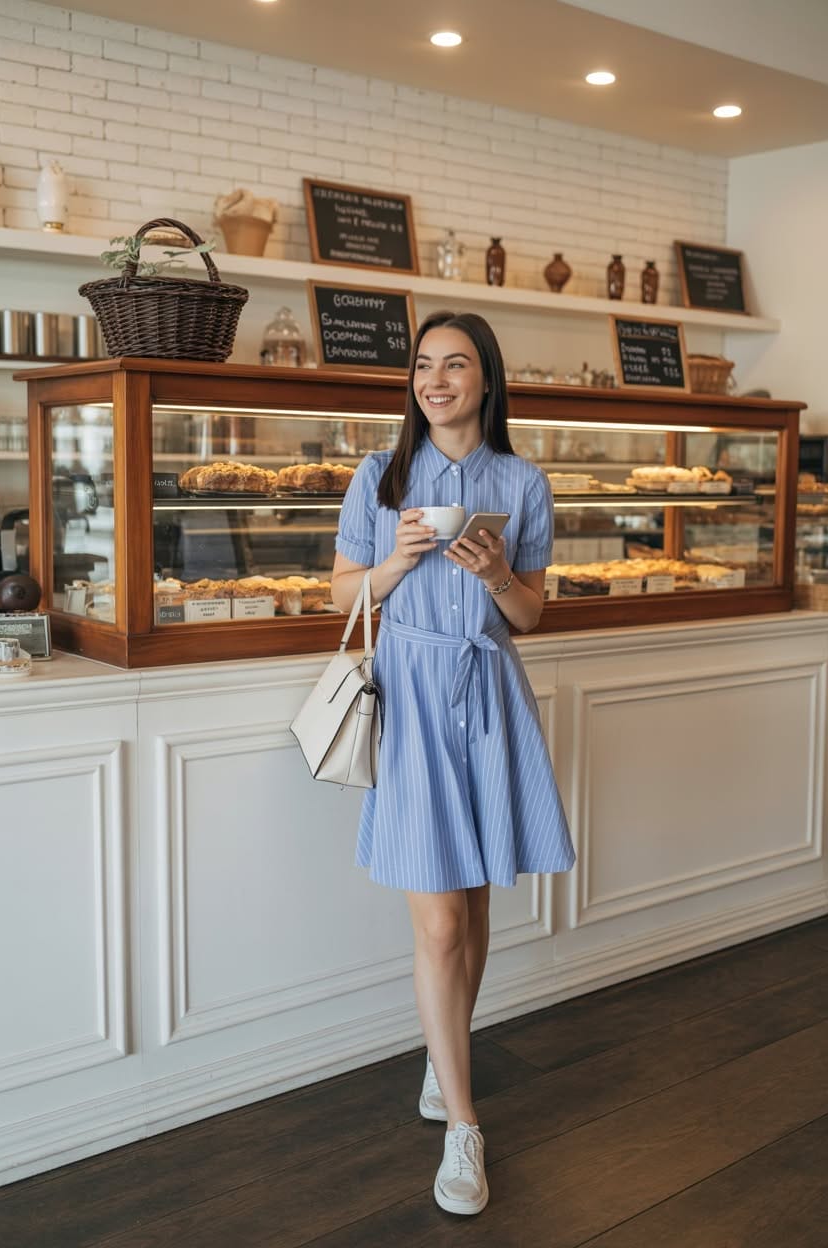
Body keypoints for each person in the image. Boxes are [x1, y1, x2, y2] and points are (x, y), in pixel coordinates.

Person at [331, 310, 576, 1216]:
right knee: (437, 924)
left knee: (472, 911)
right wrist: (395, 558)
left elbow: (530, 616)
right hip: (413, 697)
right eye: (424, 366)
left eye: (456, 364)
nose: (436, 380)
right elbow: (341, 595)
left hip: (489, 695)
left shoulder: (523, 480)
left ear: (486, 379)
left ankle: (446, 1065)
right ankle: (463, 1127)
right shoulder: (380, 476)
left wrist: (495, 573)